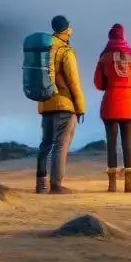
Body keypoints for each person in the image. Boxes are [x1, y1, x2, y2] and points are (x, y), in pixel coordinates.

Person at [35, 15, 85, 194]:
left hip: (44, 102)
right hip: (63, 103)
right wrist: (80, 107)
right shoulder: (65, 50)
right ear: (66, 29)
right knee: (61, 144)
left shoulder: (43, 49)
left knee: (45, 143)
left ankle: (41, 184)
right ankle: (56, 185)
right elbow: (74, 82)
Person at [93, 24, 131, 193]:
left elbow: (98, 83)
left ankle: (112, 184)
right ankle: (129, 184)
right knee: (128, 144)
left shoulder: (104, 59)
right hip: (129, 105)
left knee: (111, 143)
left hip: (110, 104)